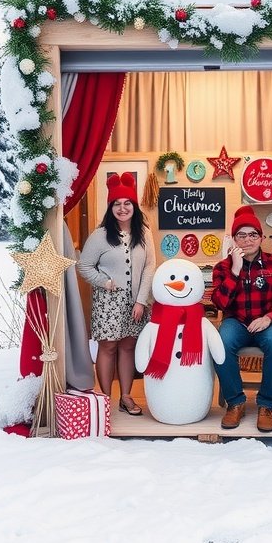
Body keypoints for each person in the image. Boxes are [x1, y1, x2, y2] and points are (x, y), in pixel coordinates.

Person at [211, 205, 272, 433]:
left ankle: (266, 406)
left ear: (261, 237)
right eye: (241, 235)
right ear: (234, 239)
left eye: (252, 235)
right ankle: (236, 402)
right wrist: (236, 271)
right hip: (236, 322)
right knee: (220, 344)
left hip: (268, 323)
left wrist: (269, 317)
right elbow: (219, 303)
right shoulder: (222, 268)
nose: (247, 240)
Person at [77, 172, 155, 415]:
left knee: (128, 348)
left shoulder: (144, 233)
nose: (122, 208)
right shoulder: (100, 236)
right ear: (111, 207)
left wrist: (141, 300)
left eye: (127, 203)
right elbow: (83, 266)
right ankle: (105, 400)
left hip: (135, 302)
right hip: (108, 302)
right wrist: (106, 282)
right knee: (108, 347)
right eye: (117, 204)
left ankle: (127, 397)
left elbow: (150, 266)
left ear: (134, 206)